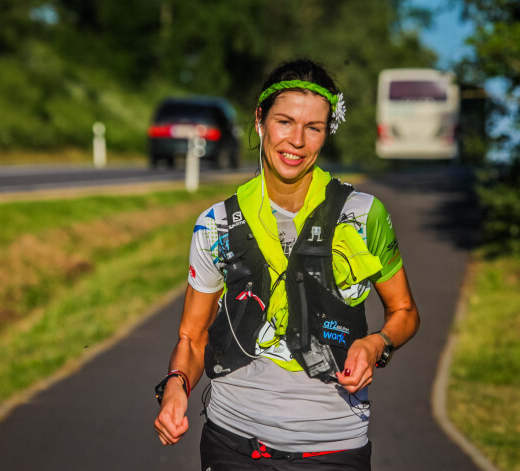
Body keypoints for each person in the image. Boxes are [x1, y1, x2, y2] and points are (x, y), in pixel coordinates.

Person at [154, 58, 420, 470]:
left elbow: (404, 312)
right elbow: (191, 337)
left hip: (332, 448)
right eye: (285, 122)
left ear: (326, 134)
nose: (296, 140)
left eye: (313, 128)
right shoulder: (216, 224)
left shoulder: (364, 214)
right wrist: (176, 386)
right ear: (260, 120)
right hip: (231, 444)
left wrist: (376, 344)